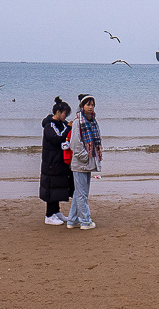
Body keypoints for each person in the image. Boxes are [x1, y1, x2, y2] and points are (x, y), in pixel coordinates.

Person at [67, 94, 102, 230]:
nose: (90, 107)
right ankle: (86, 221)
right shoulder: (78, 122)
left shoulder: (92, 121)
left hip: (87, 162)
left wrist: (90, 158)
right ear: (82, 106)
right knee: (82, 194)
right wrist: (85, 157)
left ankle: (72, 220)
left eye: (92, 104)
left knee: (80, 192)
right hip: (80, 163)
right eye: (88, 104)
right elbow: (75, 144)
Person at [40, 97, 75, 225]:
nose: (65, 117)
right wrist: (68, 128)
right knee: (51, 187)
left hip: (60, 161)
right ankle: (49, 215)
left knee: (58, 187)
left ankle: (56, 211)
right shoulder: (49, 125)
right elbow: (58, 138)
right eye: (65, 114)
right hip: (51, 162)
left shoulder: (63, 124)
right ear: (58, 112)